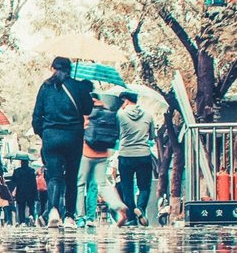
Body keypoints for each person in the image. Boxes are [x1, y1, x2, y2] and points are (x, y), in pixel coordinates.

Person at [31, 56, 94, 229]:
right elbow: (88, 109)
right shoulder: (78, 86)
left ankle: (53, 210)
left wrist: (43, 133)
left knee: (55, 176)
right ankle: (70, 217)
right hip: (73, 136)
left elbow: (37, 115)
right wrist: (86, 89)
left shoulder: (45, 87)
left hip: (51, 136)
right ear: (69, 70)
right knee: (71, 177)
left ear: (53, 68)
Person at [76, 92, 129, 227]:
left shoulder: (85, 112)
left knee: (80, 185)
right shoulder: (108, 111)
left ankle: (81, 218)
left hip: (86, 152)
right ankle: (115, 206)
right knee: (99, 185)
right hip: (103, 154)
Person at [116, 90, 156, 226]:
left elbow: (117, 133)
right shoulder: (148, 115)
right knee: (144, 186)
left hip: (125, 155)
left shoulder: (120, 114)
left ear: (126, 101)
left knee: (127, 187)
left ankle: (132, 218)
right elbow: (152, 136)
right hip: (143, 155)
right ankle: (140, 208)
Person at [9, 157, 39, 225]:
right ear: (28, 163)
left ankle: (22, 222)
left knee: (21, 207)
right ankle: (31, 215)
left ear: (21, 163)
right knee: (31, 205)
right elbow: (34, 183)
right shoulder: (31, 170)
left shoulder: (17, 171)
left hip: (20, 191)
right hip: (30, 191)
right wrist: (36, 194)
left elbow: (13, 181)